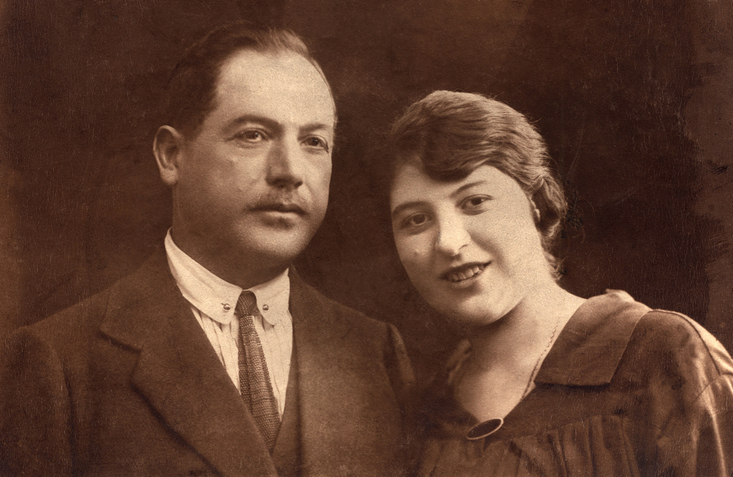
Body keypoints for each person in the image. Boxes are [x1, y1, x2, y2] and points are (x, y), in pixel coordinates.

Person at [0, 24, 413, 476]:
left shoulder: (375, 352)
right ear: (172, 155)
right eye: (254, 135)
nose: (290, 171)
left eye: (314, 142)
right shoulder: (56, 361)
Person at [386, 90, 733, 476]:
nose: (449, 242)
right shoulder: (427, 409)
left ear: (534, 201)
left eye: (475, 201)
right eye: (416, 220)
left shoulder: (663, 355)